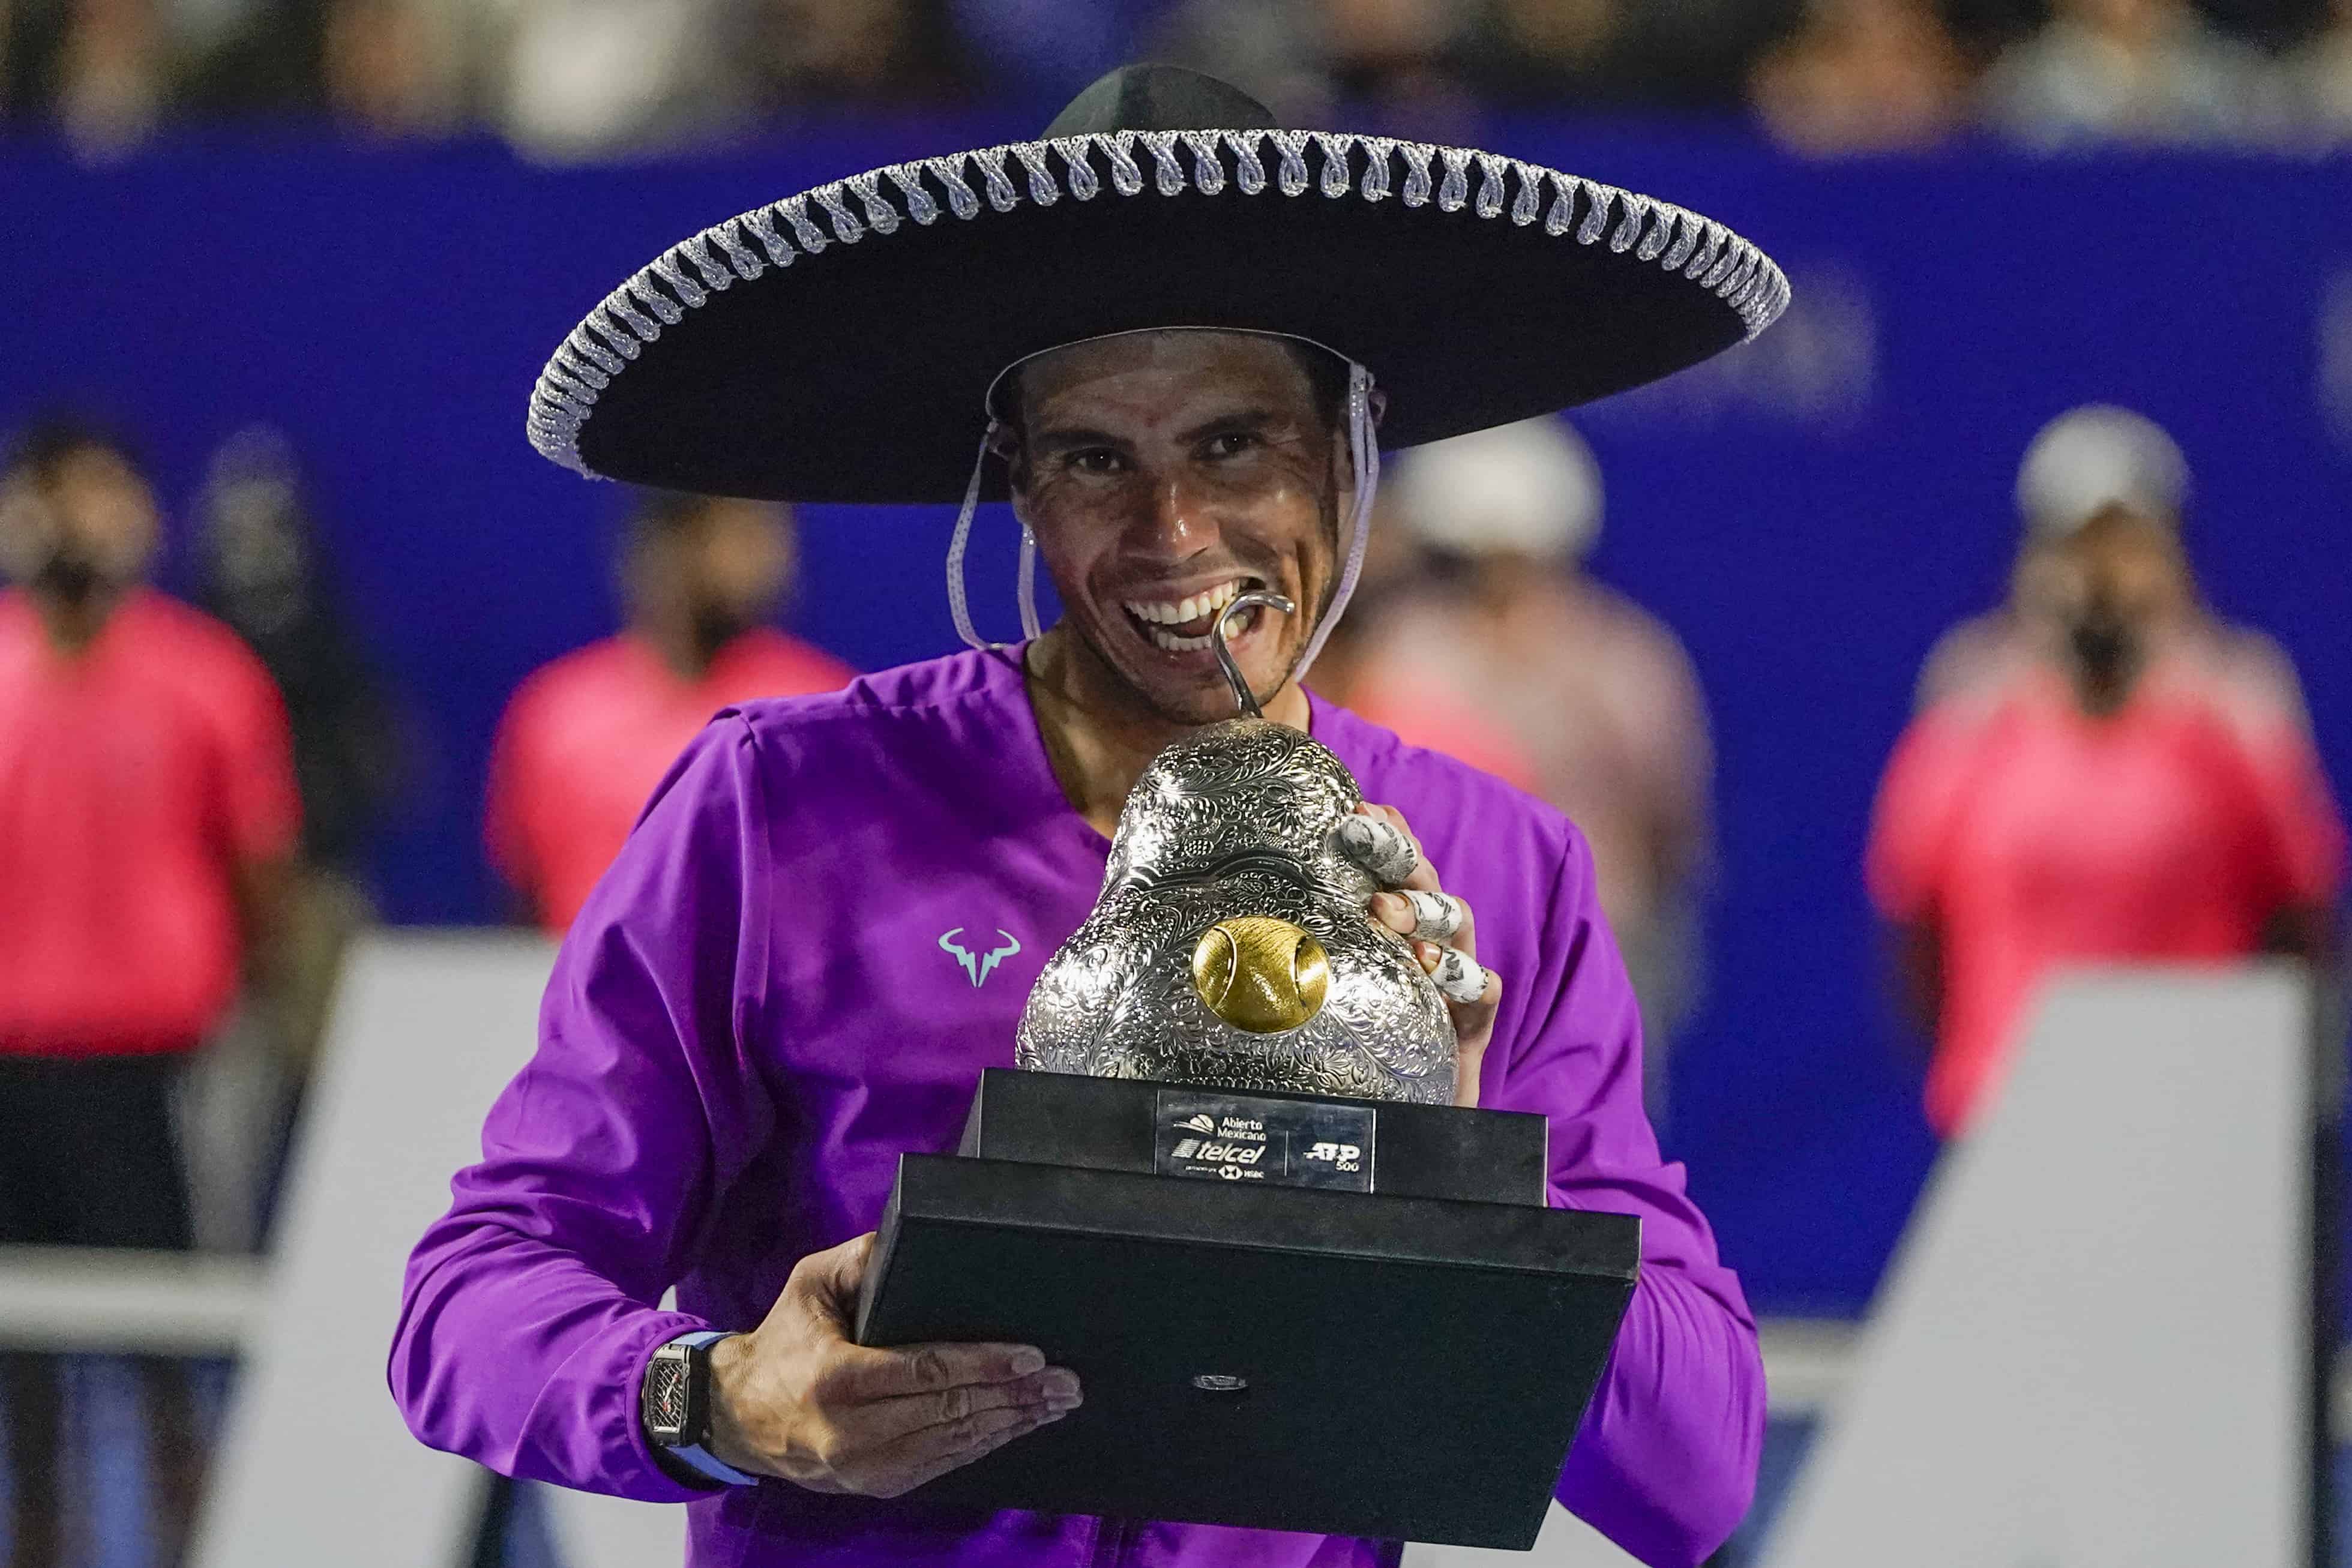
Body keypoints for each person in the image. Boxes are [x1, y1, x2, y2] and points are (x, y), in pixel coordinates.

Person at [397, 64, 1790, 1567]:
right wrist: (719, 1396)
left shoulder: (1496, 869)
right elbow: (474, 1296)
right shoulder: (776, 811)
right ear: (1013, 479)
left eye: (1231, 442)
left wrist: (1453, 1166)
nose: (1173, 535)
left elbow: (1691, 1476)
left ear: (1350, 442)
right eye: (1091, 459)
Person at [1868, 405, 2344, 1139]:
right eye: (2076, 550)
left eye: (2126, 550)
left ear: (2174, 562)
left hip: (2196, 1122)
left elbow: (2301, 923)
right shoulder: (1970, 712)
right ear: (2030, 563)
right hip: (2007, 1123)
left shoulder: (2237, 709)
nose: (2100, 581)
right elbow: (1913, 932)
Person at [0, 418, 299, 1568]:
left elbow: (261, 872)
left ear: (141, 514)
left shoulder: (208, 678)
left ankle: (192, 1551)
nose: (72, 520)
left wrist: (245, 1030)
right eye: (46, 493)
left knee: (173, 1360)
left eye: (95, 492)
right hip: (11, 1079)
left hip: (155, 1076)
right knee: (22, 1379)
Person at [1349, 418, 1714, 1125]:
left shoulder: (1623, 663)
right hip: (1431, 958)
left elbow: (1673, 823)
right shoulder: (1406, 651)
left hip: (1599, 950)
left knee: (1588, 1160)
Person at [486, 488, 851, 934]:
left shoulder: (822, 705)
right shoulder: (556, 711)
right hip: (586, 991)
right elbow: (521, 895)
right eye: (741, 531)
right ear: (673, 544)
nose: (774, 557)